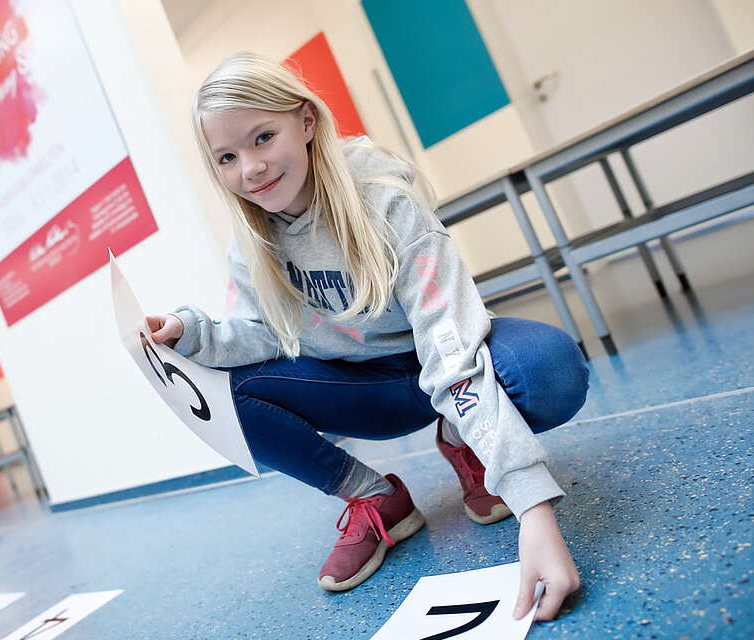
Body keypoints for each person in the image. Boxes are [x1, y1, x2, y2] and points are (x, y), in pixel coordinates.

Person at [146, 52, 589, 621]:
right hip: (365, 387)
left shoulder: (385, 200)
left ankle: (466, 438)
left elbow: (448, 345)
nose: (250, 168)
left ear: (306, 121)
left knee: (549, 368)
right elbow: (263, 333)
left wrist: (534, 508)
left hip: (433, 358)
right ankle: (376, 498)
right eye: (227, 157)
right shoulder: (252, 236)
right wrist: (190, 333)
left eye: (263, 137)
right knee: (223, 393)